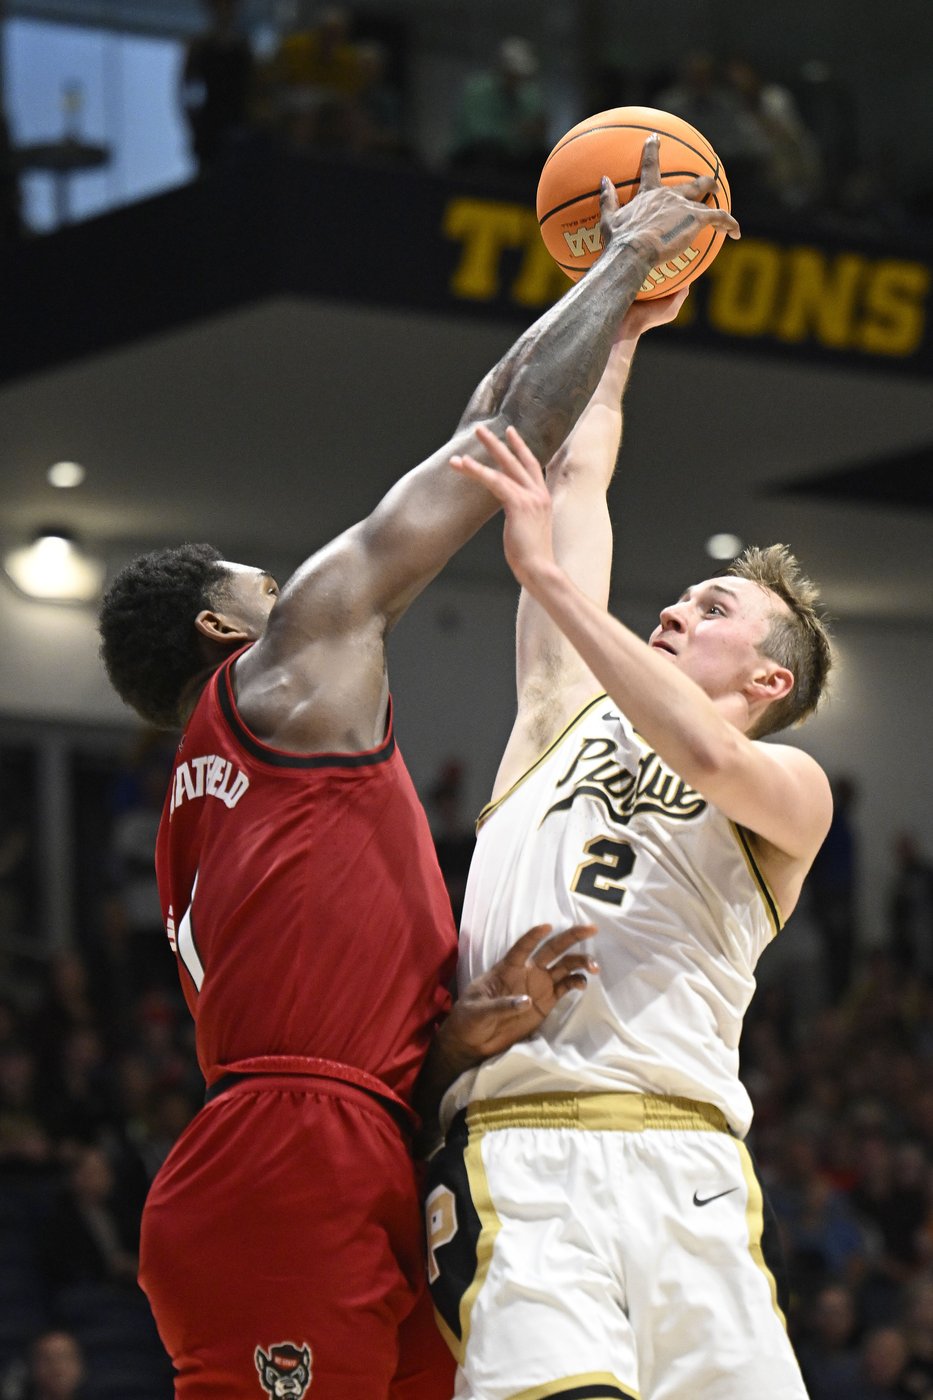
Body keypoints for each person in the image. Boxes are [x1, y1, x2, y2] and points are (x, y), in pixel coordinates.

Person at [96, 138, 738, 1400]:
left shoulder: (215, 791)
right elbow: (489, 441)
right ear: (228, 628)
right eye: (264, 583)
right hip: (290, 1164)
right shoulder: (285, 669)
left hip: (344, 1141)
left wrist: (443, 1042)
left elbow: (487, 412)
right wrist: (618, 264)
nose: (295, 583)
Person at [427, 212, 833, 1399]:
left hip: (691, 1164)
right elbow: (580, 478)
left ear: (771, 680)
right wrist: (620, 333)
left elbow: (701, 748)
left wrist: (550, 580)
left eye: (712, 609)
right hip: (526, 1147)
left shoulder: (791, 791)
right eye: (683, 597)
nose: (673, 609)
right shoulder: (564, 704)